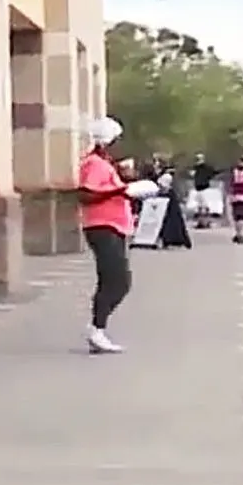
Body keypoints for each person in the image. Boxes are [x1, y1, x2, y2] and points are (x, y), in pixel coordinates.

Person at [78, 117, 133, 354]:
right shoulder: (94, 164)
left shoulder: (105, 164)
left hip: (114, 226)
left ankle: (98, 328)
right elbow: (86, 194)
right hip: (102, 226)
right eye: (118, 140)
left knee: (113, 279)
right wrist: (120, 189)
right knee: (117, 280)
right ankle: (96, 328)